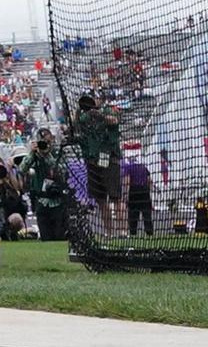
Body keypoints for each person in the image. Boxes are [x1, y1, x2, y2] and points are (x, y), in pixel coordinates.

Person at [74, 94, 122, 236]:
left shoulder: (107, 110)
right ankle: (109, 233)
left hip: (109, 159)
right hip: (93, 161)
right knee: (101, 200)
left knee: (116, 198)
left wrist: (98, 114)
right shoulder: (85, 117)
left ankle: (122, 232)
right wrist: (80, 111)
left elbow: (114, 121)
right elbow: (77, 126)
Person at [19, 130, 66, 241]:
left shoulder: (58, 153)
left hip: (57, 201)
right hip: (41, 200)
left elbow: (61, 171)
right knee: (46, 238)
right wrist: (32, 153)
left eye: (48, 141)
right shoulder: (35, 155)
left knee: (59, 236)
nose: (46, 144)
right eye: (43, 141)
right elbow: (22, 169)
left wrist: (47, 155)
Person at [122, 156, 154, 237]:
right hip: (144, 190)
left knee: (133, 214)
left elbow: (127, 181)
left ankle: (133, 233)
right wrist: (149, 192)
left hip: (134, 191)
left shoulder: (128, 167)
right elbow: (149, 180)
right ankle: (149, 233)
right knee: (146, 213)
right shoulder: (143, 167)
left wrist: (125, 194)